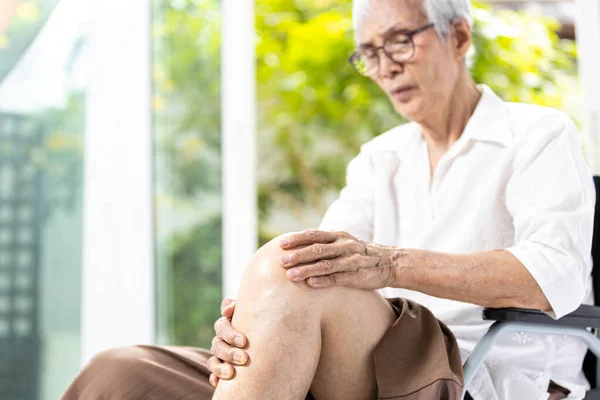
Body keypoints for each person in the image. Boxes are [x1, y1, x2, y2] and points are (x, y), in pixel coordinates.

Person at [62, 0, 595, 398]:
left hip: (476, 365)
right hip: (357, 357)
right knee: (121, 371)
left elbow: (555, 275)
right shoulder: (379, 157)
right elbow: (303, 265)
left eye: (400, 41)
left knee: (293, 272)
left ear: (458, 36)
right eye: (369, 53)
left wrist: (388, 264)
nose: (385, 66)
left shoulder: (539, 133)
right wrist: (246, 318)